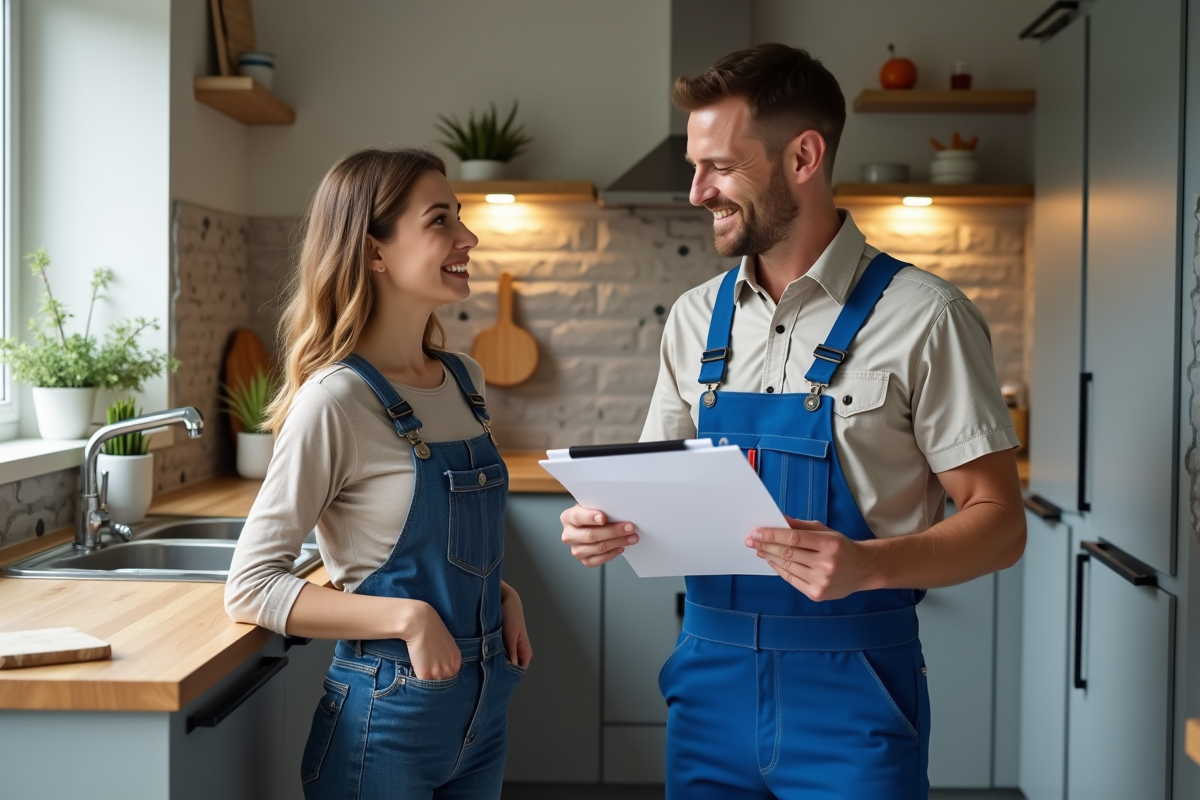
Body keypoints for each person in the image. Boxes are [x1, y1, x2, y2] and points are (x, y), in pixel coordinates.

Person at [559, 44, 1025, 799]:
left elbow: (1002, 523)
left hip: (857, 691)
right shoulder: (691, 319)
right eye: (692, 166)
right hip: (707, 686)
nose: (695, 192)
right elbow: (652, 488)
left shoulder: (927, 317)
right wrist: (602, 522)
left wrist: (871, 565)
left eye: (718, 166)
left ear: (804, 156)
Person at [225, 148, 531, 800]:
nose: (467, 237)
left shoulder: (464, 379)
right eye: (440, 220)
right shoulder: (335, 400)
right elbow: (251, 588)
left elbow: (446, 550)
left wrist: (496, 597)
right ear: (374, 253)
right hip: (388, 715)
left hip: (484, 706)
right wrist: (410, 619)